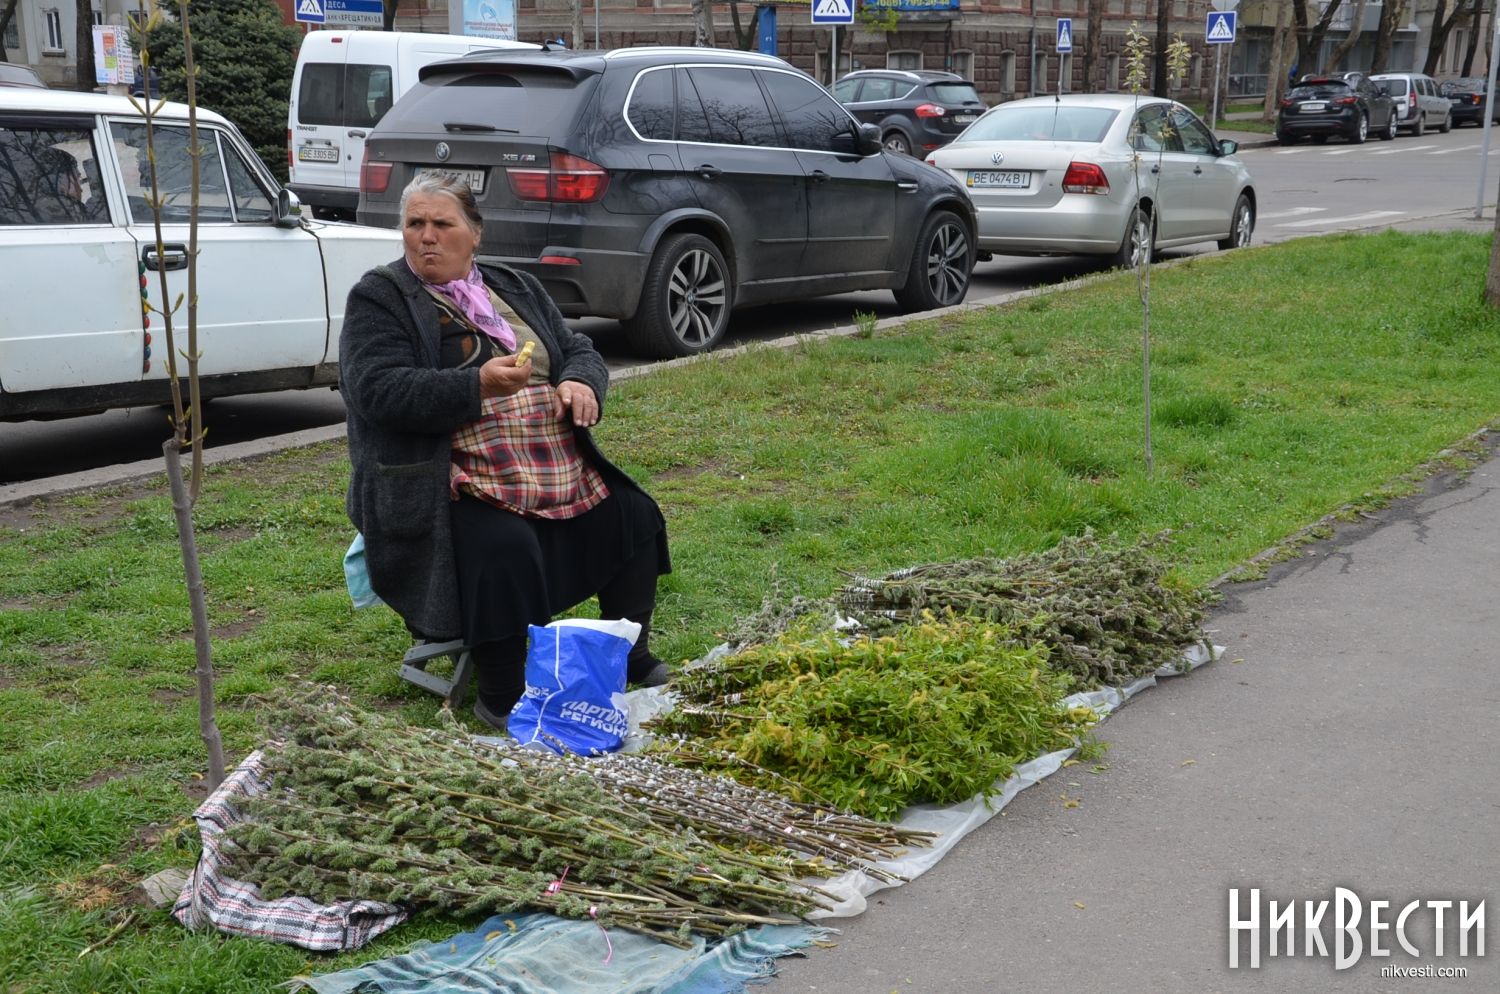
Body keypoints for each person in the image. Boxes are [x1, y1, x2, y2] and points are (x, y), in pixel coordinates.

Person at [340, 172, 672, 729]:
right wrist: (476, 388)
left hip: (545, 462)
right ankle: (503, 690)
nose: (426, 237)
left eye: (442, 225)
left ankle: (628, 654)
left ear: (475, 234)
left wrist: (583, 383)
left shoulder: (511, 286)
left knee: (632, 515)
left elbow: (576, 348)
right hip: (449, 477)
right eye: (414, 224)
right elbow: (376, 391)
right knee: (504, 547)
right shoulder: (381, 297)